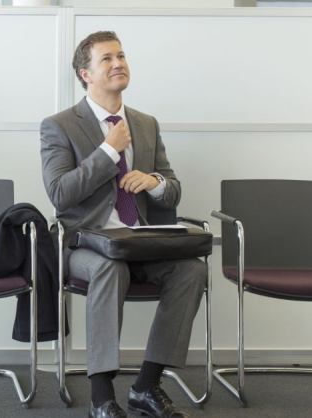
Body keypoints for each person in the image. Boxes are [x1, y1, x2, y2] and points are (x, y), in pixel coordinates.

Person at [40, 31, 206, 418]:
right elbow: (60, 194)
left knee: (192, 270)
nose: (118, 64)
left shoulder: (146, 124)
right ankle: (101, 397)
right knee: (109, 268)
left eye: (121, 56)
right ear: (85, 74)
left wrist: (154, 182)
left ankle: (146, 386)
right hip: (87, 245)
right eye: (107, 59)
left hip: (141, 241)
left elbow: (172, 190)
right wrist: (107, 150)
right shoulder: (59, 125)